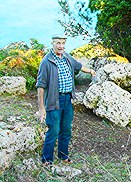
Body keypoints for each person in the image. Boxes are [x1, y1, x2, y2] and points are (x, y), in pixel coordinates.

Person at [36, 34, 96, 166]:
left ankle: (63, 155)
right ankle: (47, 159)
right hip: (53, 100)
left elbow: (79, 66)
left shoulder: (67, 57)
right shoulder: (46, 61)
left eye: (63, 43)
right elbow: (40, 86)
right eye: (58, 43)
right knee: (53, 130)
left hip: (67, 99)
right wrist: (41, 108)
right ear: (52, 43)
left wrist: (91, 71)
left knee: (66, 129)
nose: (61, 46)